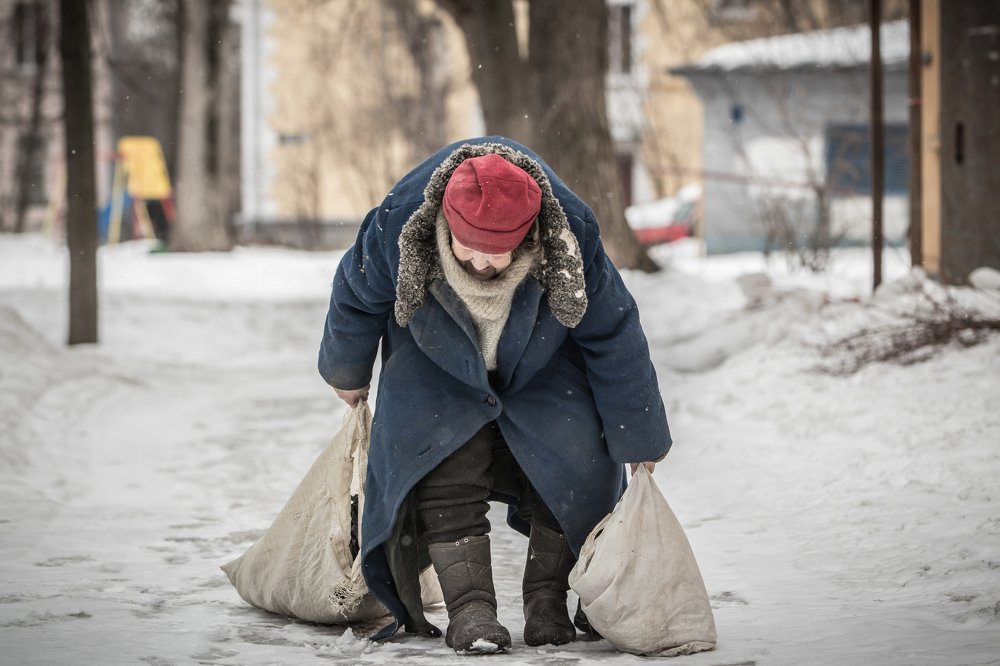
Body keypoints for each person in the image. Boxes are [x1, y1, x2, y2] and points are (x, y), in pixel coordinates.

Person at [318, 136, 670, 654]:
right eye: (470, 253)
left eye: (498, 255)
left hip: (542, 365)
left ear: (527, 237)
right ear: (446, 226)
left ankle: (547, 598)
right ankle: (471, 611)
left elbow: (613, 330)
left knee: (580, 464)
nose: (483, 266)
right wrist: (346, 371)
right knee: (441, 465)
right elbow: (355, 291)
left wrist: (639, 436)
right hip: (433, 361)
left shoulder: (568, 235)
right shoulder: (398, 224)